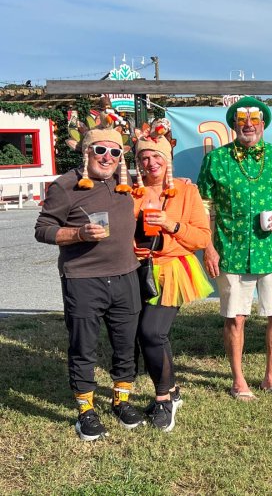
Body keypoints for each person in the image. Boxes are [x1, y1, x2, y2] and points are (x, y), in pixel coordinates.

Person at [34, 127, 145, 441]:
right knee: (83, 347)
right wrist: (78, 234)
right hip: (83, 279)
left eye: (115, 152)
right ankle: (86, 411)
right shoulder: (65, 186)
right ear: (86, 151)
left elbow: (159, 181)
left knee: (126, 345)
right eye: (100, 150)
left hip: (126, 274)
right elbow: (42, 230)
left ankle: (121, 401)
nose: (107, 157)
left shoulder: (125, 183)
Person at [197, 96, 272, 401]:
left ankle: (271, 376)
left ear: (263, 125)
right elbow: (202, 207)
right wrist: (209, 247)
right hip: (230, 250)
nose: (248, 126)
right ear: (233, 125)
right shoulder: (216, 160)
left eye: (254, 121)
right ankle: (238, 380)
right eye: (242, 121)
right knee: (235, 318)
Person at [132, 128, 213, 431]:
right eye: (144, 158)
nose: (151, 163)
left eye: (157, 156)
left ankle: (164, 399)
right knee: (144, 335)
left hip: (173, 271)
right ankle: (172, 390)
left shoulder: (186, 190)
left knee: (152, 332)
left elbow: (202, 238)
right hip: (135, 270)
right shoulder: (129, 193)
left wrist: (171, 223)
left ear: (167, 159)